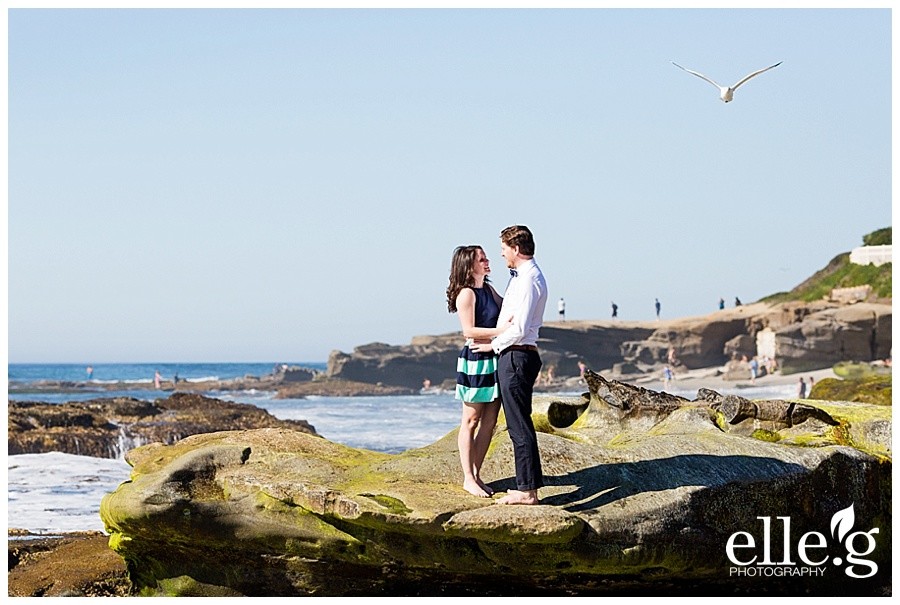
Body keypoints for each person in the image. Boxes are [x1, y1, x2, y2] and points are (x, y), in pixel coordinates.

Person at [479, 225, 547, 506]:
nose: (502, 254)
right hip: (514, 354)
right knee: (519, 423)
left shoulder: (529, 279)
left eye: (505, 249)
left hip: (517, 355)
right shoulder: (522, 277)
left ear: (516, 249)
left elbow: (519, 328)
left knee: (519, 425)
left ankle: (527, 491)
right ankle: (527, 486)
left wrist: (492, 345)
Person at [446, 245, 510, 498]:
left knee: (491, 421)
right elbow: (469, 331)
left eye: (485, 258)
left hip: (493, 356)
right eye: (481, 259)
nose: (487, 261)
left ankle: (477, 473)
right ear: (469, 266)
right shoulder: (466, 294)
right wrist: (503, 332)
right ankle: (468, 478)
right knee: (471, 420)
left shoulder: (489, 289)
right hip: (475, 360)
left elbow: (507, 311)